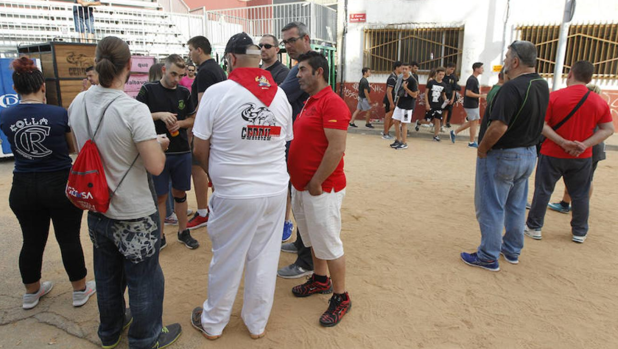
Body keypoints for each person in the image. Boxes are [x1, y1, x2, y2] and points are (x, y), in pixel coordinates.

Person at [68, 36, 181, 348]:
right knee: (145, 278)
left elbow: (84, 148)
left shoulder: (78, 102)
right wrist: (159, 144)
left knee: (106, 277)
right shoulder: (133, 110)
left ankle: (110, 331)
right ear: (130, 66)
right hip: (133, 211)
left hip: (97, 208)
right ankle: (146, 339)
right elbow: (156, 167)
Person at [190, 32, 293, 340]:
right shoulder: (280, 95)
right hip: (274, 190)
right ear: (257, 59)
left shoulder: (218, 92)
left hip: (235, 192)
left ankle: (213, 323)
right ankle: (256, 323)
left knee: (227, 257)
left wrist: (216, 176)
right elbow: (283, 141)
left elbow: (198, 148)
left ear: (231, 59)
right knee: (264, 257)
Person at [0, 57, 95, 310]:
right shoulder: (57, 113)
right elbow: (73, 147)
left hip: (23, 185)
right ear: (42, 86)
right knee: (68, 238)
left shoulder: (6, 115)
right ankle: (79, 289)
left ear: (16, 88)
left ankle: (31, 292)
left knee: (31, 240)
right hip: (58, 183)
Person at [460, 40, 549, 271]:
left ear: (516, 61)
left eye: (507, 56)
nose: (505, 61)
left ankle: (488, 256)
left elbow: (499, 127)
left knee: (491, 206)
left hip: (504, 155)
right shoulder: (541, 84)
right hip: (528, 154)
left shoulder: (511, 88)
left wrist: (482, 149)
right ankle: (511, 250)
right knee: (516, 206)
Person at [288, 51, 352, 327]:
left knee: (328, 241)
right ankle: (319, 279)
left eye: (302, 70)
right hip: (303, 187)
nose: (298, 75)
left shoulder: (332, 103)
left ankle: (341, 297)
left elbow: (337, 148)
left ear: (319, 72)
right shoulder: (309, 102)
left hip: (321, 189)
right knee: (313, 238)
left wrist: (315, 181)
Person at [524, 61, 614, 243]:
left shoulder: (554, 97)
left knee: (543, 190)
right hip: (582, 156)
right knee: (580, 194)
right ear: (590, 78)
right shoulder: (598, 101)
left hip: (552, 153)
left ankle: (534, 227)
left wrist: (562, 142)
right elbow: (608, 129)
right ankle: (579, 232)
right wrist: (584, 144)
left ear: (570, 73)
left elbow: (542, 125)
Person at [136, 54, 199, 250]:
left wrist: (179, 123)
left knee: (180, 193)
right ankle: (159, 235)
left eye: (180, 75)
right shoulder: (148, 89)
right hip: (156, 152)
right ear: (164, 70)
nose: (177, 79)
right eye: (173, 74)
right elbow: (138, 115)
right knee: (161, 197)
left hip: (181, 150)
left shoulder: (184, 92)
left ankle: (183, 231)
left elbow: (192, 119)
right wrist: (160, 116)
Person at [277, 21, 315, 278]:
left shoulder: (300, 70)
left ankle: (307, 261)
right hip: (297, 141)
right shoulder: (297, 68)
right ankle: (302, 246)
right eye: (285, 42)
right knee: (299, 199)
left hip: (303, 144)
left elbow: (278, 98)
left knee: (305, 201)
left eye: (292, 40)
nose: (288, 46)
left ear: (306, 38)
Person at [186, 36, 227, 230]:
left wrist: (194, 130)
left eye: (191, 50)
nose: (189, 54)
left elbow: (203, 105)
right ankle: (215, 210)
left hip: (209, 130)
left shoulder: (205, 72)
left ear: (199, 50)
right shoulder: (217, 69)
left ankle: (203, 211)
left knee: (198, 168)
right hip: (219, 127)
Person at [548, 83, 608, 214]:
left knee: (584, 180)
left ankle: (578, 207)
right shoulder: (599, 104)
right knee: (584, 178)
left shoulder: (590, 104)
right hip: (593, 147)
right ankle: (568, 204)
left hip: (588, 147)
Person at [449, 62, 487, 147]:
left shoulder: (474, 79)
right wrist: (481, 95)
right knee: (474, 122)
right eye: (481, 68)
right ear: (476, 69)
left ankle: (454, 132)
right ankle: (471, 142)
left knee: (473, 122)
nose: (483, 70)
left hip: (473, 103)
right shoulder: (472, 80)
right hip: (471, 104)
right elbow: (468, 93)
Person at [389, 63, 418, 150]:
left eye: (406, 69)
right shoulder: (400, 78)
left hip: (407, 105)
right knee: (395, 121)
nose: (404, 71)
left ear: (409, 69)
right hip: (400, 103)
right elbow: (398, 92)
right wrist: (396, 103)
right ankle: (398, 139)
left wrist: (406, 89)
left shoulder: (412, 81)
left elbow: (415, 95)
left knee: (404, 124)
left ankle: (404, 142)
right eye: (403, 69)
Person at [416, 67, 447, 142]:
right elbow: (426, 93)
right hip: (431, 104)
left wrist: (446, 100)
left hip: (439, 105)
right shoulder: (431, 82)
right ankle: (418, 122)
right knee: (427, 121)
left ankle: (435, 136)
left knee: (438, 120)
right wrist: (427, 103)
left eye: (443, 75)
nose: (441, 76)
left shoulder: (443, 84)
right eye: (440, 74)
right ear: (436, 74)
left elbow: (443, 94)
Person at [381, 61, 403, 140]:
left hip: (393, 100)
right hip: (390, 100)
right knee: (388, 116)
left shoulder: (397, 77)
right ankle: (385, 133)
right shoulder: (392, 78)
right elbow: (388, 91)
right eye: (401, 67)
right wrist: (391, 103)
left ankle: (386, 131)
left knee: (392, 117)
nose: (403, 69)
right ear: (397, 67)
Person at [443, 62, 459, 128]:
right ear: (447, 68)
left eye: (453, 70)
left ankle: (445, 123)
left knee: (448, 110)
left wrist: (452, 98)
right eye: (451, 69)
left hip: (450, 95)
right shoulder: (442, 75)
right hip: (442, 95)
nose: (452, 71)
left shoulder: (453, 77)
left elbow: (454, 89)